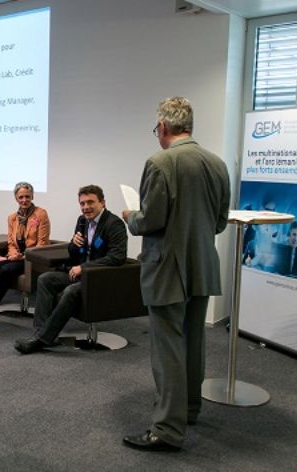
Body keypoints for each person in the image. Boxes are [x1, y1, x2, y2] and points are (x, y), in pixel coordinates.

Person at [121, 96, 230, 452]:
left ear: (164, 127)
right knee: (193, 341)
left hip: (167, 268)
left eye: (156, 128)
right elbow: (219, 222)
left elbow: (151, 220)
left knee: (167, 347)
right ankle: (189, 409)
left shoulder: (160, 162)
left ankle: (167, 429)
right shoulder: (217, 164)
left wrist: (130, 217)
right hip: (202, 265)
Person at [14, 185, 127, 354]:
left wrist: (84, 267)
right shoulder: (82, 220)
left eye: (90, 202)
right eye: (82, 203)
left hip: (99, 277)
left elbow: (117, 257)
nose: (86, 207)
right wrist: (74, 244)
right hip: (81, 273)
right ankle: (39, 333)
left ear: (102, 203)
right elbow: (74, 252)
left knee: (71, 291)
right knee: (45, 279)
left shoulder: (114, 224)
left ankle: (41, 340)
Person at [0, 182, 50, 318]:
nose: (24, 200)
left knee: (6, 270)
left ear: (32, 196)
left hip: (32, 259)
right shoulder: (12, 218)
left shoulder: (41, 214)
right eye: (21, 197)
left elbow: (42, 243)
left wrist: (23, 256)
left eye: (27, 196)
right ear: (16, 198)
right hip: (15, 256)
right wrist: (13, 254)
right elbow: (11, 242)